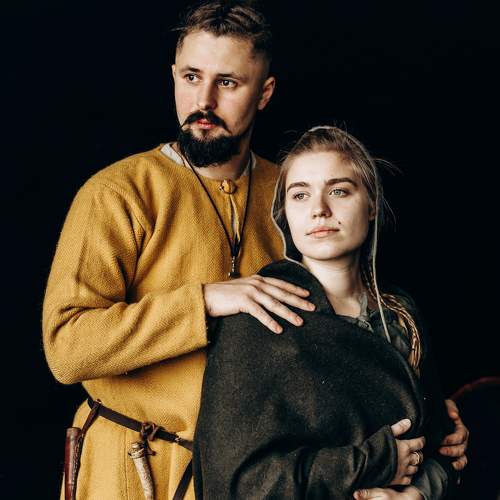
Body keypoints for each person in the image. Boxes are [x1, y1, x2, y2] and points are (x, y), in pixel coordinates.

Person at [42, 2, 467, 499]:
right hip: (135, 472)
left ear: (264, 92)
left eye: (227, 83)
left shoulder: (295, 192)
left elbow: (339, 335)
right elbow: (66, 349)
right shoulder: (118, 193)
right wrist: (204, 301)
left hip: (272, 479)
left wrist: (420, 410)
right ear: (173, 76)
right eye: (191, 77)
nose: (203, 100)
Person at [193, 126, 461, 499]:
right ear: (285, 214)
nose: (319, 209)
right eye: (300, 195)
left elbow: (444, 448)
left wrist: (417, 494)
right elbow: (235, 484)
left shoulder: (400, 314)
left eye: (339, 191)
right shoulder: (259, 317)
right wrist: (372, 462)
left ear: (371, 205)